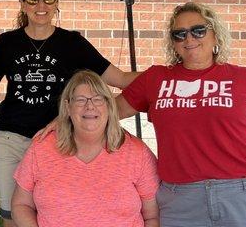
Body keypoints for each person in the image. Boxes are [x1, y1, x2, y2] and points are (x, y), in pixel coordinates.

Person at [117, 1, 246, 227]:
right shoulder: (155, 79)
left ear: (216, 35)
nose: (189, 39)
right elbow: (107, 113)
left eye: (198, 30)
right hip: (182, 202)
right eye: (179, 34)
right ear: (173, 43)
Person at [0, 0, 139, 226]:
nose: (41, 6)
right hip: (10, 140)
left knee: (56, 213)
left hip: (57, 141)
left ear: (57, 2)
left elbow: (121, 79)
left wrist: (167, 75)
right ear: (23, 4)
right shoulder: (7, 42)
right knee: (12, 215)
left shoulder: (72, 43)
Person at [12, 70, 160, 227]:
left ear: (110, 106)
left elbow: (153, 216)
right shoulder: (41, 148)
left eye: (98, 99)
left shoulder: (137, 153)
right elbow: (21, 205)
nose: (90, 106)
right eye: (81, 100)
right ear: (68, 107)